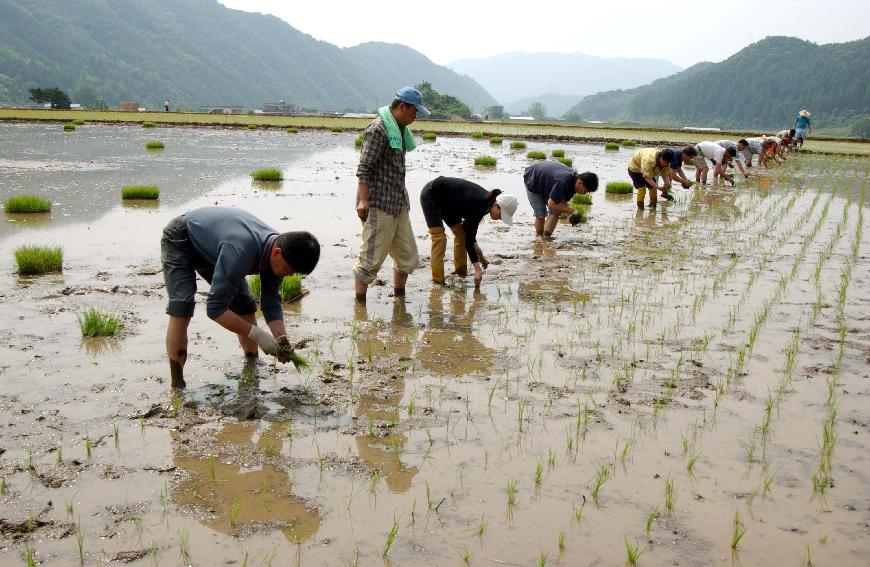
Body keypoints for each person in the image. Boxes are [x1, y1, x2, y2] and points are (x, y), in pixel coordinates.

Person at [161, 206, 321, 389]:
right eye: (287, 270)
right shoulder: (241, 250)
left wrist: (281, 339)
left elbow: (271, 303)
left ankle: (252, 366)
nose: (287, 275)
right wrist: (258, 334)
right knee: (182, 307)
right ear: (276, 253)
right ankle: (177, 385)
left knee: (244, 304)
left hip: (217, 246)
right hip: (182, 238)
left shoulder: (282, 251)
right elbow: (215, 309)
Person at [353, 87, 430, 303]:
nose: (416, 117)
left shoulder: (399, 130)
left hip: (398, 203)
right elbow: (364, 168)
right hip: (379, 203)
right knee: (370, 259)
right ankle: (360, 306)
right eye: (414, 112)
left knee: (407, 256)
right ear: (403, 107)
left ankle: (399, 298)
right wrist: (363, 200)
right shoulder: (378, 130)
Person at [419, 177, 518, 286]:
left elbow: (469, 231)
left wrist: (476, 246)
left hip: (449, 202)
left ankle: (460, 273)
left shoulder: (487, 204)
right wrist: (477, 269)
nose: (500, 219)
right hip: (432, 194)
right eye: (501, 216)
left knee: (461, 235)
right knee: (439, 238)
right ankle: (438, 282)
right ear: (497, 206)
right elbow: (469, 239)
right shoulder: (478, 204)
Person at [523, 160, 599, 238]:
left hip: (548, 181)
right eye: (585, 190)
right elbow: (551, 204)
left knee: (556, 211)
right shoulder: (563, 181)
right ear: (579, 183)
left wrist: (570, 214)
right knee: (541, 214)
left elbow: (560, 204)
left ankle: (546, 237)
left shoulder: (573, 182)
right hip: (533, 179)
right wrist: (573, 211)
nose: (585, 193)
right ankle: (539, 238)